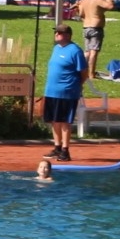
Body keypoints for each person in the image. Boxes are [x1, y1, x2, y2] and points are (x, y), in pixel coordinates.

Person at [43, 23, 88, 162]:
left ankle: (65, 150)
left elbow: (84, 73)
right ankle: (57, 147)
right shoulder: (56, 48)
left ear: (67, 35)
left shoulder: (75, 51)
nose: (56, 34)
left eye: (59, 33)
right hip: (51, 91)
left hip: (67, 92)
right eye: (56, 32)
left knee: (64, 122)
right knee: (54, 121)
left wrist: (76, 85)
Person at [75, 0, 115, 78]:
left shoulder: (85, 0)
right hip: (95, 28)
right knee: (94, 51)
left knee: (87, 52)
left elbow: (81, 14)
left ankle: (83, 71)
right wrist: (110, 0)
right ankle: (91, 74)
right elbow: (110, 6)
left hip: (86, 27)